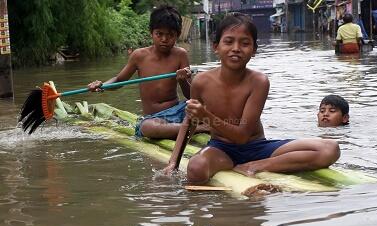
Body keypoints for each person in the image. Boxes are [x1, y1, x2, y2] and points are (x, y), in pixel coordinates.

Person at [164, 13, 340, 183]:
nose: (236, 48)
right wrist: (173, 163)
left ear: (254, 50)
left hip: (257, 147)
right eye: (229, 41)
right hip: (221, 148)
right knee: (196, 167)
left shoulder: (259, 82)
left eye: (245, 43)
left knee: (330, 148)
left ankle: (254, 166)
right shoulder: (201, 81)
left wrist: (206, 116)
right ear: (215, 47)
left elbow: (242, 136)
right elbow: (190, 123)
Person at [88, 5, 193, 139]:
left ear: (177, 36)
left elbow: (191, 95)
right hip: (154, 119)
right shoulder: (139, 56)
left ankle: (184, 127)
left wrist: (183, 81)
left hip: (177, 111)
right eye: (159, 34)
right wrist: (102, 86)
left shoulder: (180, 55)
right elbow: (119, 80)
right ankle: (194, 128)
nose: (164, 39)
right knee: (146, 127)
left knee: (205, 104)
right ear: (151, 33)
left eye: (170, 35)